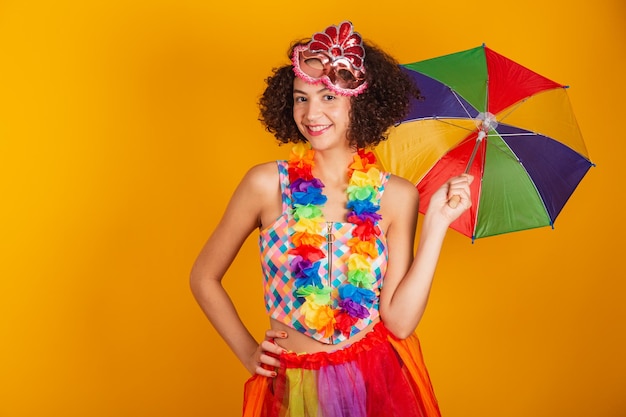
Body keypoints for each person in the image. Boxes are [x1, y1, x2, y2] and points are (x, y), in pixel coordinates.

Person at [190, 21, 473, 417]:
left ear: (360, 104)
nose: (312, 112)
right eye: (301, 98)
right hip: (291, 387)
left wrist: (438, 224)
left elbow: (401, 322)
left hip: (374, 381)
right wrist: (247, 352)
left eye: (328, 96)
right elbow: (203, 277)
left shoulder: (396, 196)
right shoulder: (265, 184)